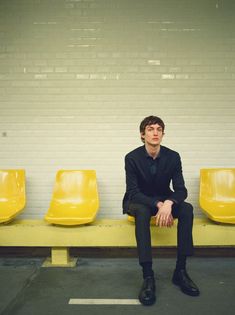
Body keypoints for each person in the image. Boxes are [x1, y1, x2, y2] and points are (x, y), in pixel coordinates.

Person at [122, 115, 200, 306]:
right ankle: (148, 276)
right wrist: (158, 204)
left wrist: (169, 202)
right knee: (142, 212)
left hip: (165, 201)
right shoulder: (132, 157)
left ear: (163, 134)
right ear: (142, 134)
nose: (155, 132)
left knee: (187, 209)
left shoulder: (173, 156)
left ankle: (180, 271)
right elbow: (133, 192)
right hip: (138, 201)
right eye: (150, 129)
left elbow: (181, 190)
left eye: (159, 129)